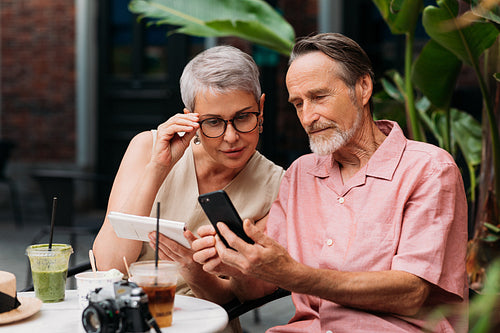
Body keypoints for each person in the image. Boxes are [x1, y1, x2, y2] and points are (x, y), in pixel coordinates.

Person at [192, 33, 468, 332]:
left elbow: (412, 293)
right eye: (298, 103)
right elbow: (257, 287)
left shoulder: (428, 169)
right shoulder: (301, 174)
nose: (308, 117)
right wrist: (238, 264)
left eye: (318, 97)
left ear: (362, 88)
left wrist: (295, 275)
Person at [92, 45, 284, 332]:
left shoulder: (277, 185)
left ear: (262, 109)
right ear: (191, 118)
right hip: (126, 320)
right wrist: (157, 168)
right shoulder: (147, 147)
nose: (231, 137)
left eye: (243, 117)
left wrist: (193, 270)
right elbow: (108, 264)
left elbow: (236, 298)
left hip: (205, 325)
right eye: (213, 122)